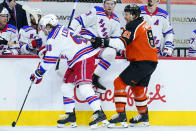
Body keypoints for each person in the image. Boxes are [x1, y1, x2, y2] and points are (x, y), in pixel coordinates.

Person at [30, 14, 109, 128]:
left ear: (49, 26)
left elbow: (50, 61)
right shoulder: (61, 27)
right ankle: (70, 115)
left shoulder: (53, 38)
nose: (43, 30)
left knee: (84, 87)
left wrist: (38, 73)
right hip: (76, 59)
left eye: (44, 27)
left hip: (83, 56)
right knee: (66, 87)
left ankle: (100, 114)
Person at [91, 4, 158, 127]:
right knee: (137, 89)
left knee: (119, 83)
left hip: (141, 61)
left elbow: (122, 43)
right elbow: (134, 43)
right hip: (151, 62)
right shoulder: (143, 24)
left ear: (134, 15)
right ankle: (143, 116)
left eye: (127, 14)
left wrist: (103, 41)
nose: (125, 16)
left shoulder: (133, 25)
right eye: (125, 14)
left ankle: (121, 116)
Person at [69, 0, 121, 93]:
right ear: (104, 4)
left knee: (111, 53)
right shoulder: (96, 11)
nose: (110, 6)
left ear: (115, 5)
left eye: (112, 4)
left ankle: (94, 78)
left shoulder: (116, 20)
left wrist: (109, 44)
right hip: (86, 42)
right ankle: (80, 79)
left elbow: (115, 39)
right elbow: (78, 20)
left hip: (100, 45)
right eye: (107, 4)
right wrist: (70, 30)